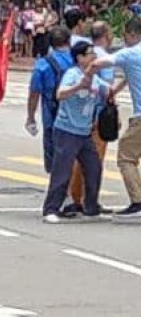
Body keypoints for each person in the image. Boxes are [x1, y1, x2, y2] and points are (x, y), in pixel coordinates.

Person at [41, 41, 108, 223]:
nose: (93, 56)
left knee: (94, 168)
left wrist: (127, 80)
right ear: (79, 57)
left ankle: (91, 206)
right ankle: (51, 208)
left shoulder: (95, 78)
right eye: (89, 54)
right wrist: (78, 87)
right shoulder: (72, 74)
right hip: (66, 130)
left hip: (84, 132)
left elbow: (108, 92)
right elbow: (60, 94)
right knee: (62, 171)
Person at [91, 16, 141, 220]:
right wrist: (114, 90)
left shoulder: (130, 53)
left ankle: (137, 202)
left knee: (126, 157)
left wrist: (86, 71)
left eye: (125, 36)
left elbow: (102, 62)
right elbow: (131, 78)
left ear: (132, 35)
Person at [66, 21, 114, 215]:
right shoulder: (104, 59)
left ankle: (76, 196)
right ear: (107, 35)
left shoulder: (87, 55)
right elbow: (107, 90)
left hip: (80, 115)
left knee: (79, 159)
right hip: (97, 115)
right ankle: (89, 199)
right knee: (94, 160)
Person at [26, 26, 72, 173]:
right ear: (69, 41)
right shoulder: (78, 60)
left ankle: (58, 184)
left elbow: (34, 93)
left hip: (52, 116)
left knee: (54, 154)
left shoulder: (43, 64)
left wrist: (31, 117)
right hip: (77, 115)